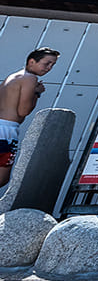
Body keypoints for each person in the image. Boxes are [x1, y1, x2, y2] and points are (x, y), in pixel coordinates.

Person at [0, 47, 59, 189]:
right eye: (47, 63)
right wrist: (37, 93)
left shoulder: (14, 76)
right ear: (32, 62)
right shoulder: (30, 79)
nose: (49, 68)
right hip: (6, 130)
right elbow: (23, 111)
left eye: (52, 65)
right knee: (2, 178)